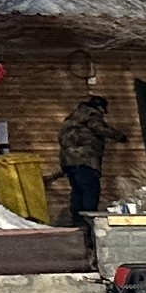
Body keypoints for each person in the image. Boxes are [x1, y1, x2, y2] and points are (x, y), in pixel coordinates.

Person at [52, 91, 111, 248]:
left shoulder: (72, 118)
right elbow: (99, 129)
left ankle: (77, 221)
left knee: (78, 190)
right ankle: (88, 223)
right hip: (86, 160)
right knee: (91, 190)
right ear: (99, 108)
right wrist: (119, 135)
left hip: (69, 162)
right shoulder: (91, 114)